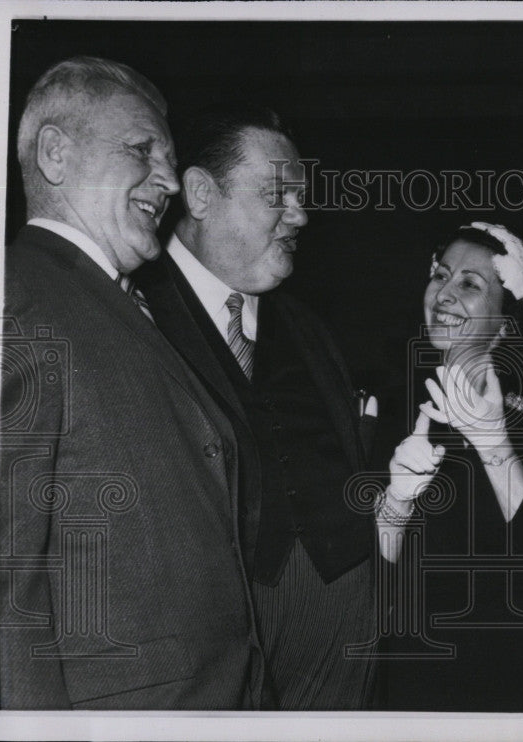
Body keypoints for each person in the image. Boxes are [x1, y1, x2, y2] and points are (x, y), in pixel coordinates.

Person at [0, 57, 265, 709]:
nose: (171, 180)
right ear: (55, 154)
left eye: (169, 159)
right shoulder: (18, 296)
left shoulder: (109, 298)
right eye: (142, 149)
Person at [132, 104, 377, 710]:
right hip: (206, 636)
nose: (302, 213)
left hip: (343, 628)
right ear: (200, 193)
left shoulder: (310, 325)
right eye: (279, 194)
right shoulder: (132, 314)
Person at [372, 222, 523, 711]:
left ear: (505, 324)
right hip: (405, 683)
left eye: (469, 284)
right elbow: (373, 581)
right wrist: (396, 501)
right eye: (440, 274)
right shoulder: (395, 409)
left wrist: (493, 445)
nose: (443, 293)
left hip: (504, 687)